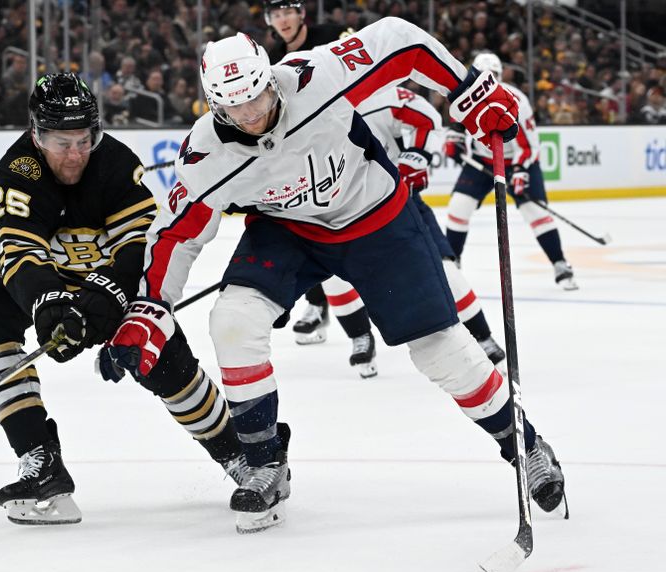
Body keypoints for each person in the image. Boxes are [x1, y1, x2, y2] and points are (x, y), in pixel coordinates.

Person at [99, 22, 567, 534]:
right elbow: (174, 236)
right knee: (233, 321)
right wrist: (150, 309)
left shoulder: (314, 76)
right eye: (236, 109)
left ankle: (525, 447)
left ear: (270, 80)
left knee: (440, 349)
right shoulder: (206, 155)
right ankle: (263, 462)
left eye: (258, 98)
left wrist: (466, 87)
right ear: (215, 106)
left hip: (376, 219)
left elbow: (398, 41)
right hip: (290, 233)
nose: (253, 116)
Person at [0, 73, 246, 525]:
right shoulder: (18, 170)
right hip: (40, 273)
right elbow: (21, 250)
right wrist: (48, 304)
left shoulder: (114, 162)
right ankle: (40, 458)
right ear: (36, 133)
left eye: (84, 139)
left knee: (162, 360)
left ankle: (237, 451)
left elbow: (140, 246)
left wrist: (106, 297)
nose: (74, 154)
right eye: (60, 142)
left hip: (103, 273)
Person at [265, 0, 377, 377]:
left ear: (301, 15)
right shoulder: (270, 58)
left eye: (286, 12)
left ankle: (352, 313)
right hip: (302, 157)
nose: (281, 20)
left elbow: (364, 74)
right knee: (303, 232)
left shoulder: (331, 37)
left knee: (344, 240)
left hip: (345, 144)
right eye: (274, 14)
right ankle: (324, 307)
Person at [358, 84, 507, 367]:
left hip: (401, 203)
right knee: (334, 278)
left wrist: (416, 157)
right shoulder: (309, 106)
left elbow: (426, 115)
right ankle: (357, 335)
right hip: (347, 215)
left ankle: (482, 337)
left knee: (447, 274)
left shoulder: (379, 95)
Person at [444, 52, 578, 291]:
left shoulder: (516, 98)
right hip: (482, 159)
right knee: (458, 207)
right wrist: (454, 140)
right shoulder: (464, 95)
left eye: (493, 76)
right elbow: (457, 122)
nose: (489, 81)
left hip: (516, 161)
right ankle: (452, 266)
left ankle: (560, 263)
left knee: (535, 211)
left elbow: (528, 144)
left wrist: (519, 171)